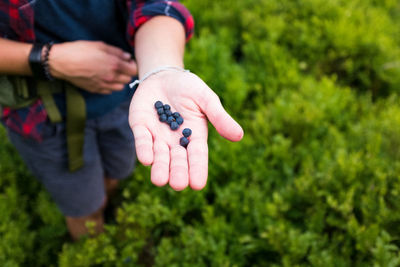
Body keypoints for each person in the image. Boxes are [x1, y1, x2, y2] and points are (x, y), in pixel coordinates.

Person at [0, 0, 244, 240]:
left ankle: (106, 203)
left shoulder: (145, 107)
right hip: (43, 120)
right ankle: (95, 241)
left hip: (125, 99)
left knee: (115, 172)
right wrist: (48, 59)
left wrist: (162, 69)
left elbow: (154, 5)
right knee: (84, 207)